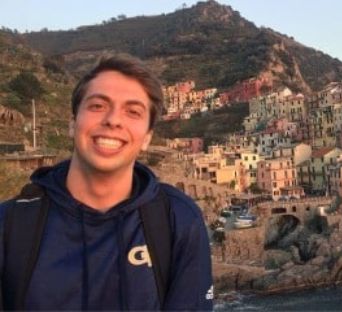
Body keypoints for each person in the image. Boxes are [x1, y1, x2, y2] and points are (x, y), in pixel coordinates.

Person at [0, 55, 213, 310]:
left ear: (147, 138)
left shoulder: (176, 219)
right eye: (98, 106)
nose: (113, 120)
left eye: (133, 111)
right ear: (72, 123)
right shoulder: (11, 225)